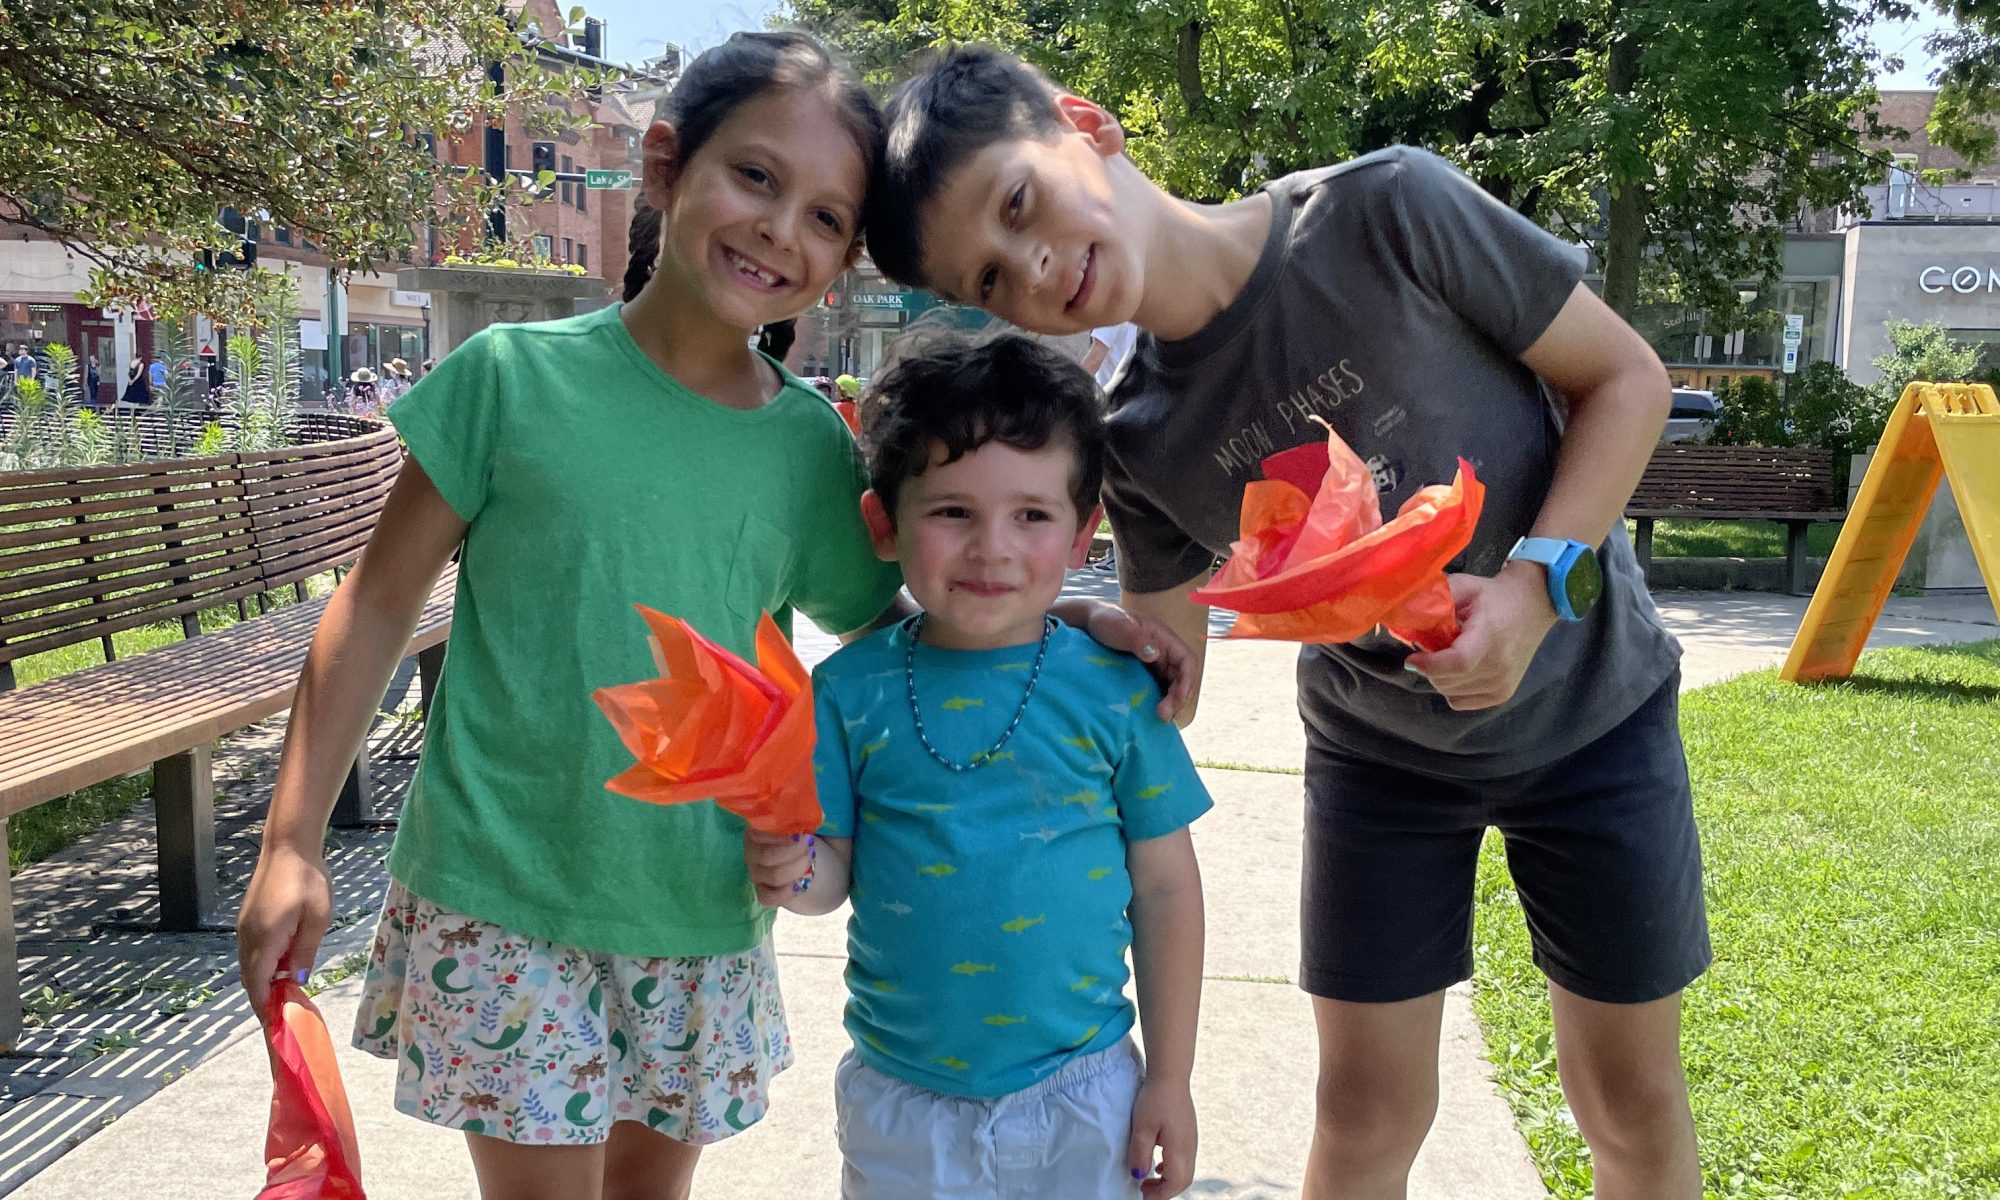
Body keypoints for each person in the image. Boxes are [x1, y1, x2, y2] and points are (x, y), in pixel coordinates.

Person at [235, 33, 1185, 1200]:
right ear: (664, 165)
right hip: (503, 896)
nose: (783, 231)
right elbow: (374, 607)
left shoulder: (804, 447)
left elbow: (906, 616)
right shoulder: (509, 380)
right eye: (754, 177)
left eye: (829, 219)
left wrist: (1065, 630)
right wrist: (291, 843)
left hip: (700, 904)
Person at [867, 47, 1709, 1200]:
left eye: (1018, 204)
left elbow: (1625, 381)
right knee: (1363, 1110)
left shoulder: (1386, 208)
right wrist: (1067, 622)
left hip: (1596, 719)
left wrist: (1528, 589)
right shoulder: (1137, 439)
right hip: (1383, 767)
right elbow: (1168, 667)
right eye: (992, 278)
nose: (1032, 266)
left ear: (1085, 124)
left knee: (1625, 1097)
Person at [747, 333, 1210, 1199]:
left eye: (1031, 515)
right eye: (952, 512)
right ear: (884, 524)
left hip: (1087, 1089)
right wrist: (790, 865)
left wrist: (1171, 1079)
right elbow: (831, 873)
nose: (992, 547)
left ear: (1083, 536)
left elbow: (1168, 890)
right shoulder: (847, 692)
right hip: (901, 1098)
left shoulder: (1118, 691)